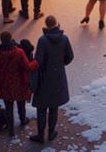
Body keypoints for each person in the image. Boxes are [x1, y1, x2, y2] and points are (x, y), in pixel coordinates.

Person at [31, 15, 73, 144]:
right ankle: (51, 133)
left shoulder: (42, 40)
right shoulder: (64, 39)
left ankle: (40, 134)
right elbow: (70, 56)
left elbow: (38, 61)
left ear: (46, 25)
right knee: (54, 107)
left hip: (44, 79)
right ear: (57, 24)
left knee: (42, 108)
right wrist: (60, 64)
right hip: (58, 77)